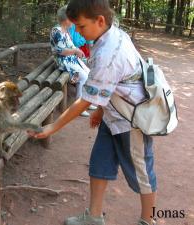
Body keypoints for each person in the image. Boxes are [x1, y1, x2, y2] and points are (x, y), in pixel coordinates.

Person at [31, 0, 157, 225]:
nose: (78, 32)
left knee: (142, 173)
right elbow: (110, 85)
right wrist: (101, 109)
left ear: (100, 20)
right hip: (112, 114)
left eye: (80, 26)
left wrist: (52, 126)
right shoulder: (107, 34)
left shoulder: (109, 52)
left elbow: (84, 100)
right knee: (99, 164)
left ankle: (148, 220)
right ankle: (94, 217)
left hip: (131, 120)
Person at [50, 6, 94, 117]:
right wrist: (75, 50)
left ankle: (86, 102)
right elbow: (61, 51)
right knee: (82, 76)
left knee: (89, 73)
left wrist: (78, 51)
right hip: (62, 62)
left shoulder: (66, 30)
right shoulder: (57, 31)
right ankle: (78, 106)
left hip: (71, 60)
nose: (74, 21)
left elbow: (72, 45)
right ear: (66, 20)